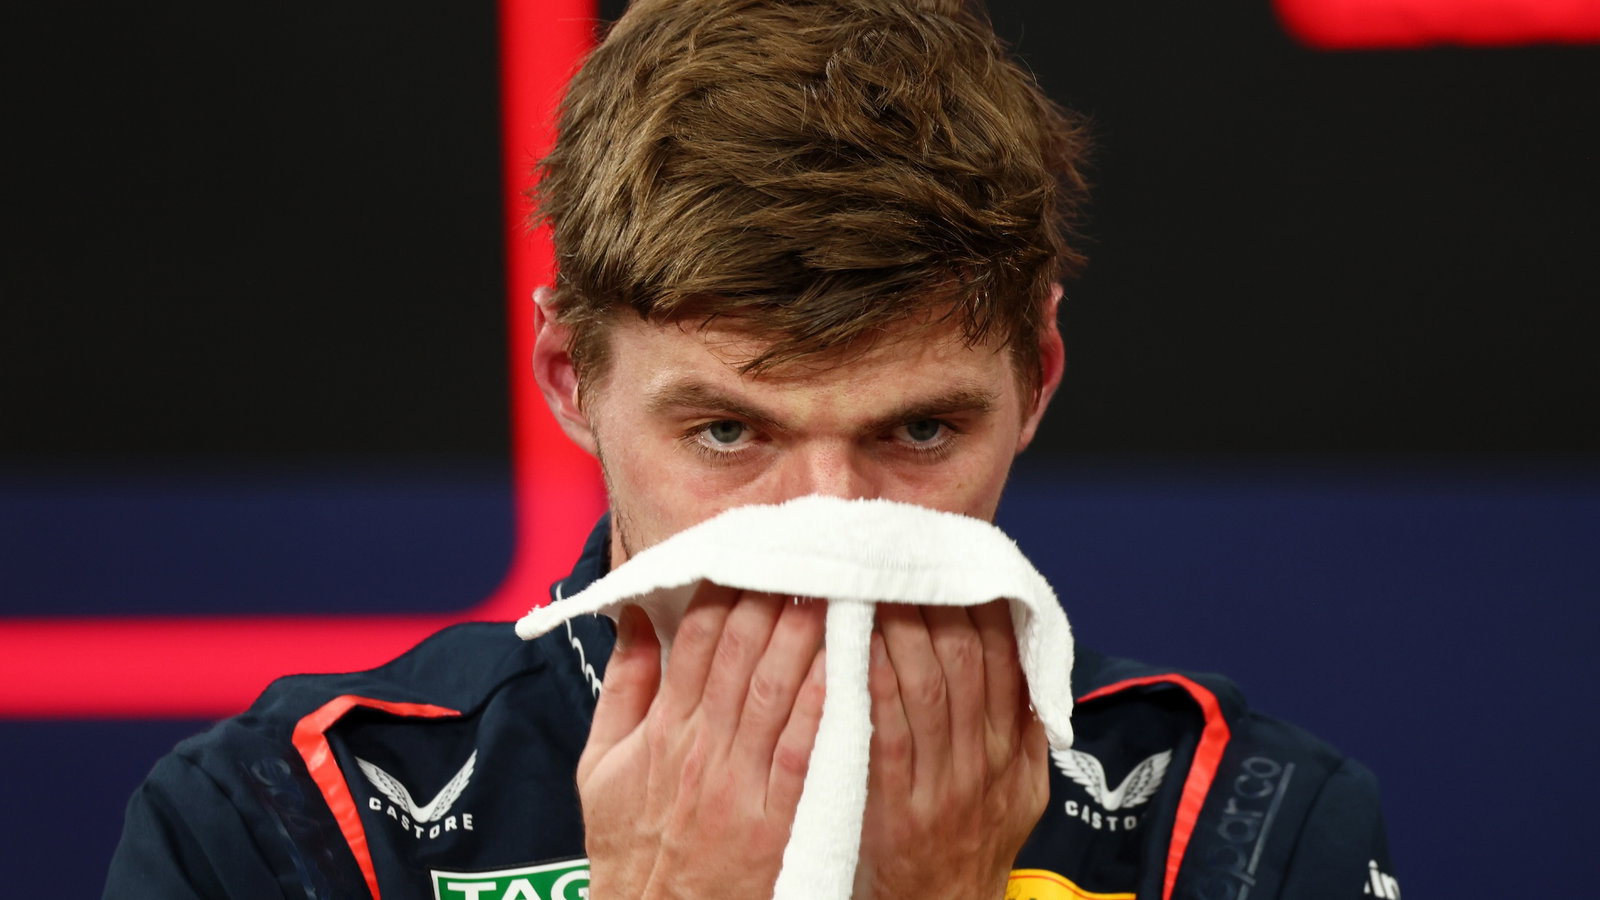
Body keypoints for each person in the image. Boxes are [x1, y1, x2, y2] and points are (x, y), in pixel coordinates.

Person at [105, 1, 1398, 898]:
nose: (823, 521)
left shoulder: (1239, 830)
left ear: (1039, 382)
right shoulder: (286, 833)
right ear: (572, 378)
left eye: (920, 432)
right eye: (728, 432)